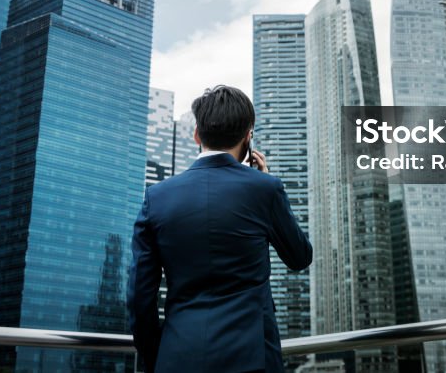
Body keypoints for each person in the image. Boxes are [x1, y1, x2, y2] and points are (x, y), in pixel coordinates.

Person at [128, 85, 313, 373]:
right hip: (253, 359)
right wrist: (266, 184)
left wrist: (159, 355)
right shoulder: (265, 189)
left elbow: (140, 296)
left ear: (197, 135)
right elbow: (299, 257)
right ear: (247, 136)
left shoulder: (157, 197)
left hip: (177, 357)